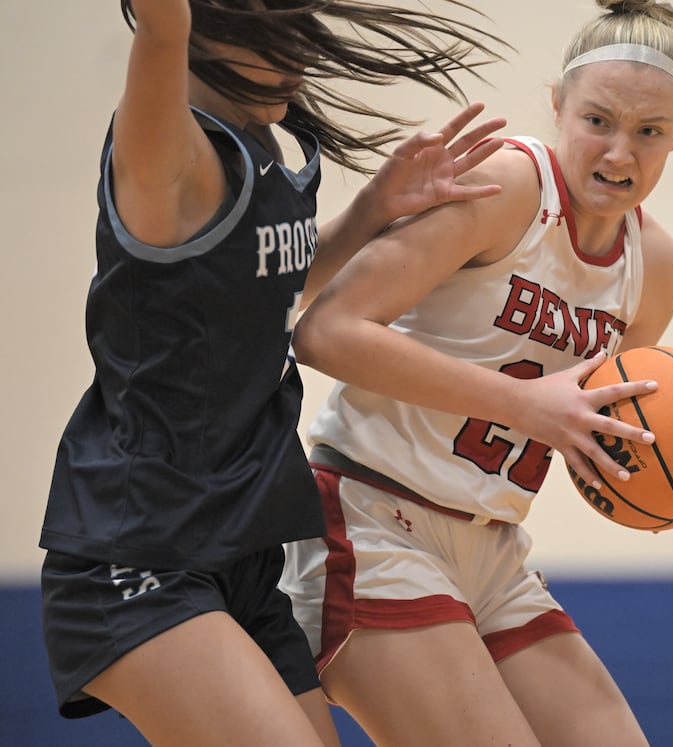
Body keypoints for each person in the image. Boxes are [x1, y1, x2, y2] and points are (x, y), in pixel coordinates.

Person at [38, 1, 509, 745]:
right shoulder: (166, 153)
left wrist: (373, 209)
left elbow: (275, 285)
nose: (303, 53)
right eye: (279, 31)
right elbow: (162, 24)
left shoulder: (260, 147)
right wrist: (168, 23)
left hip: (243, 549)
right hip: (140, 549)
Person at [281, 0, 673, 745]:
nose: (620, 153)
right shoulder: (509, 188)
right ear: (558, 104)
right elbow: (325, 331)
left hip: (492, 547)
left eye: (649, 132)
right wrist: (525, 404)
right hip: (373, 517)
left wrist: (667, 475)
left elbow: (586, 426)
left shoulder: (654, 268)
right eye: (598, 120)